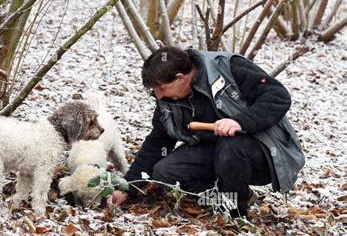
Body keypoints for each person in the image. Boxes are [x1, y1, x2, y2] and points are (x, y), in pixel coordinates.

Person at [111, 46, 305, 217]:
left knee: (231, 146)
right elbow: (156, 144)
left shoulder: (227, 68)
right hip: (214, 152)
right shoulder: (167, 101)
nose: (158, 95)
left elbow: (278, 97)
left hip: (263, 152)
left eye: (161, 89)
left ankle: (235, 211)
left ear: (180, 78)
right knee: (165, 172)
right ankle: (230, 194)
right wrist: (128, 187)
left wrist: (240, 122)